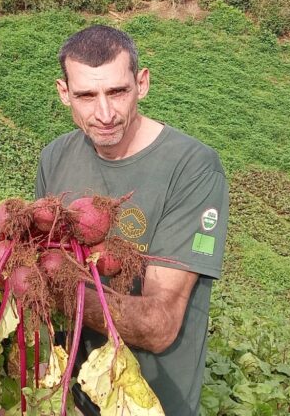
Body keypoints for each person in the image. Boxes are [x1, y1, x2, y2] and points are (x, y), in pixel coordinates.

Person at [35, 25, 228, 416]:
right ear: (63, 93)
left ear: (142, 83)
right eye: (87, 96)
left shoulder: (192, 168)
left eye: (117, 92)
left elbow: (160, 324)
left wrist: (50, 288)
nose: (104, 113)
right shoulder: (54, 157)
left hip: (152, 399)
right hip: (70, 394)